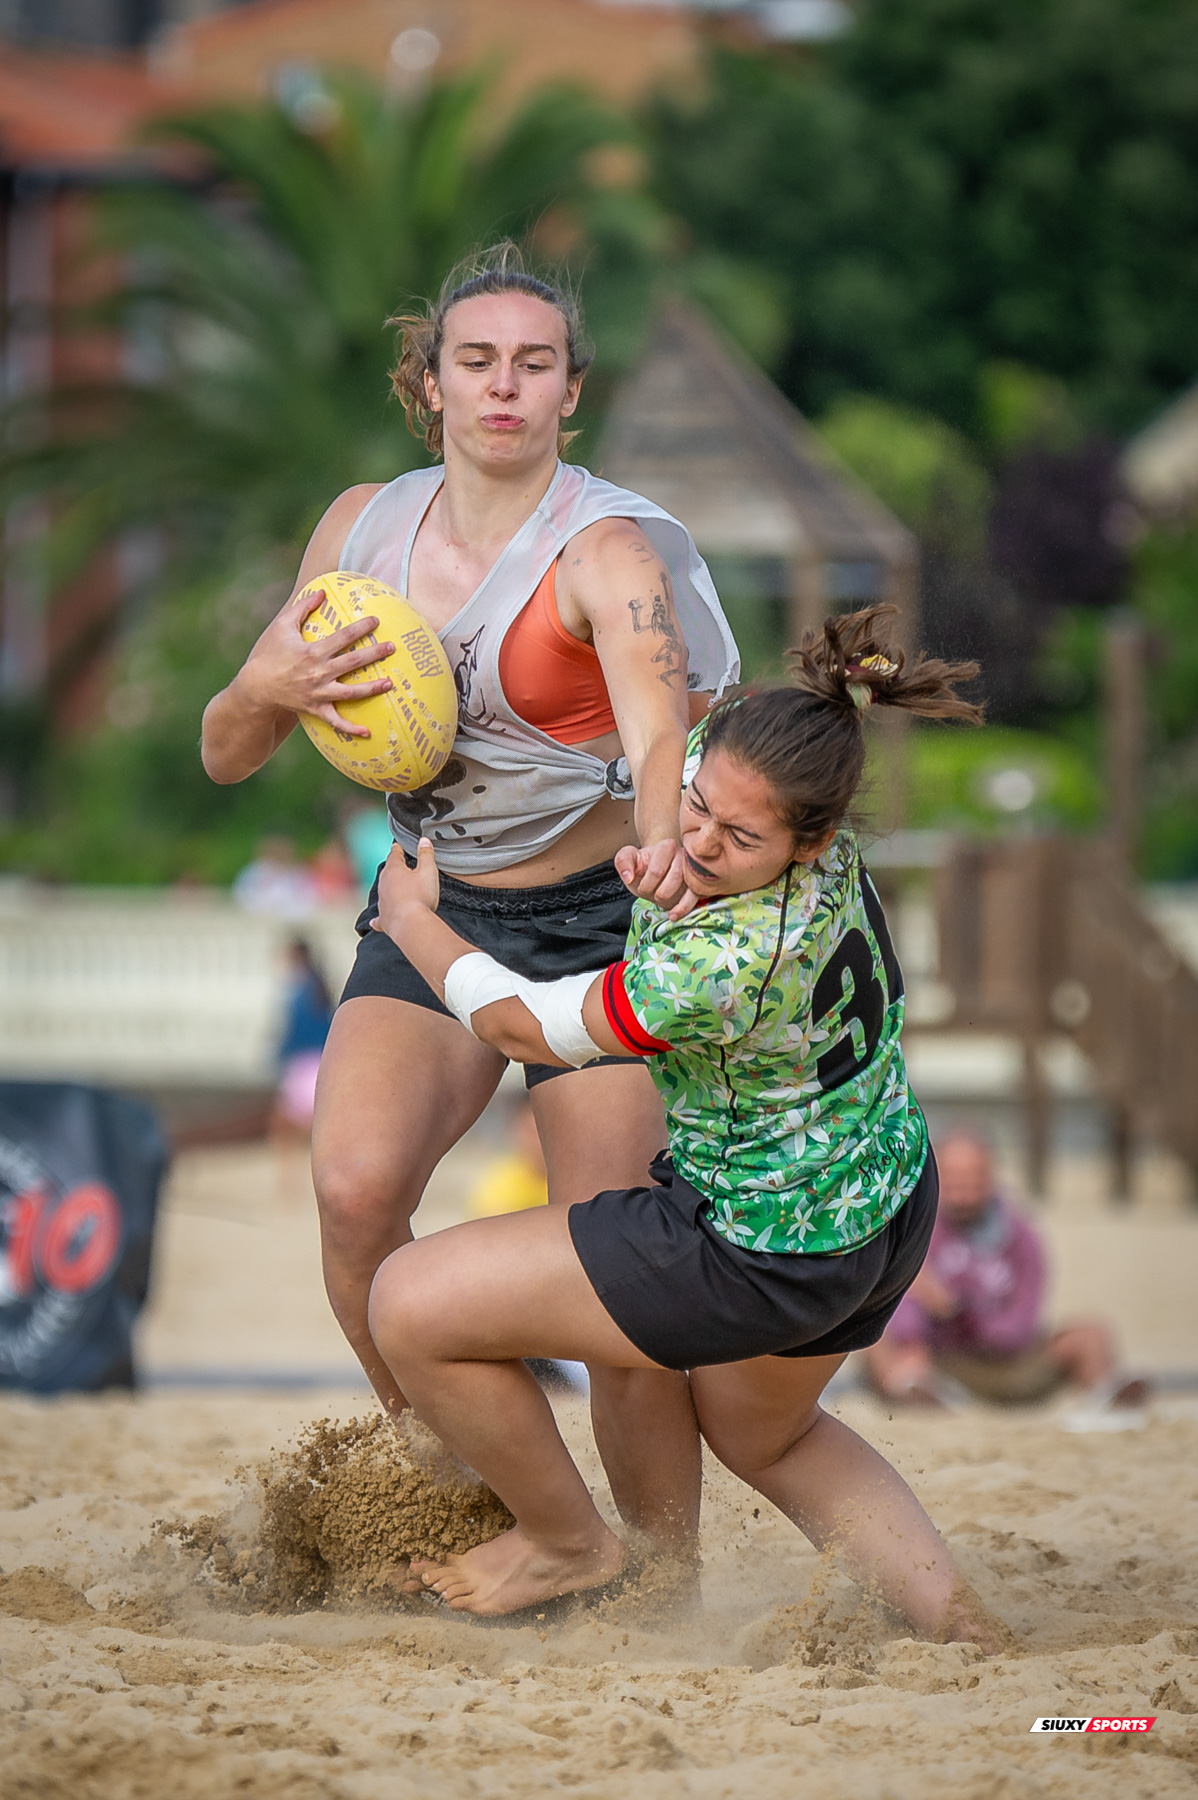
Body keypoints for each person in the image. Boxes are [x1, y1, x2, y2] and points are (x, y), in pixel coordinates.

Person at [199, 243, 738, 1566]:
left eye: (533, 364)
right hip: (433, 913)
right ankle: (462, 1484)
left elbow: (665, 732)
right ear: (427, 385)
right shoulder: (358, 534)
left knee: (615, 1283)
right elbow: (225, 748)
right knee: (352, 1193)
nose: (503, 385)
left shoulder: (608, 548)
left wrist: (666, 841)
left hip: (594, 922)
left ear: (569, 393)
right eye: (475, 361)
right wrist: (269, 686)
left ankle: (662, 1577)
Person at [365, 608, 1001, 1647]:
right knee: (772, 1436)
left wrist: (413, 924)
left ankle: (565, 1541)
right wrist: (671, 840)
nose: (700, 839)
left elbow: (525, 1027)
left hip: (763, 1249)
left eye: (735, 838)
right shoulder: (792, 817)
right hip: (880, 1204)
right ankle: (969, 1633)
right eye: (698, 812)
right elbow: (682, 746)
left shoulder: (728, 963)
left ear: (814, 839)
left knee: (408, 1303)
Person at [863, 1128, 1149, 1409]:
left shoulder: (1022, 1236)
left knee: (1092, 1333)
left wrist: (958, 1311)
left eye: (972, 1175)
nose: (962, 1188)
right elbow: (898, 1302)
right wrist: (915, 1334)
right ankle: (914, 1393)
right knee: (873, 1337)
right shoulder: (916, 1224)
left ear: (990, 1176)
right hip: (935, 1358)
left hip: (1007, 1364)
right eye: (953, 1176)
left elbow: (1019, 1328)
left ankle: (1108, 1393)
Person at [272, 937, 334, 1141]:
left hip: (303, 1061)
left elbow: (294, 1030)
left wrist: (278, 1055)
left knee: (287, 1124)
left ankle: (288, 1173)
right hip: (320, 1058)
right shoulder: (320, 985)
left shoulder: (300, 992)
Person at [466, 1098, 548, 1218]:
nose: (538, 1141)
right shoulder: (499, 1185)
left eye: (542, 1131)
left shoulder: (574, 1177)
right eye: (531, 1131)